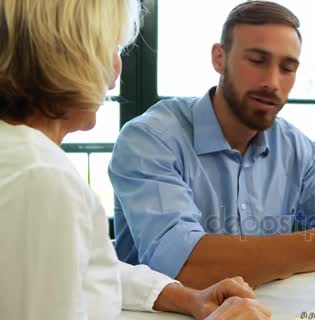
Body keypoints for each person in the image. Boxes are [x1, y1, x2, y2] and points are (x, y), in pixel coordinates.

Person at [109, 0, 315, 290]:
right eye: (257, 60)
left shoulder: (295, 147)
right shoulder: (149, 139)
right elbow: (184, 265)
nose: (272, 82)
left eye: (288, 68)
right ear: (219, 58)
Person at [0, 0, 271, 319]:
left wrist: (187, 297)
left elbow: (80, 267)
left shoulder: (21, 158)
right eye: (112, 47)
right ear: (67, 54)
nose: (117, 68)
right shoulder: (43, 178)